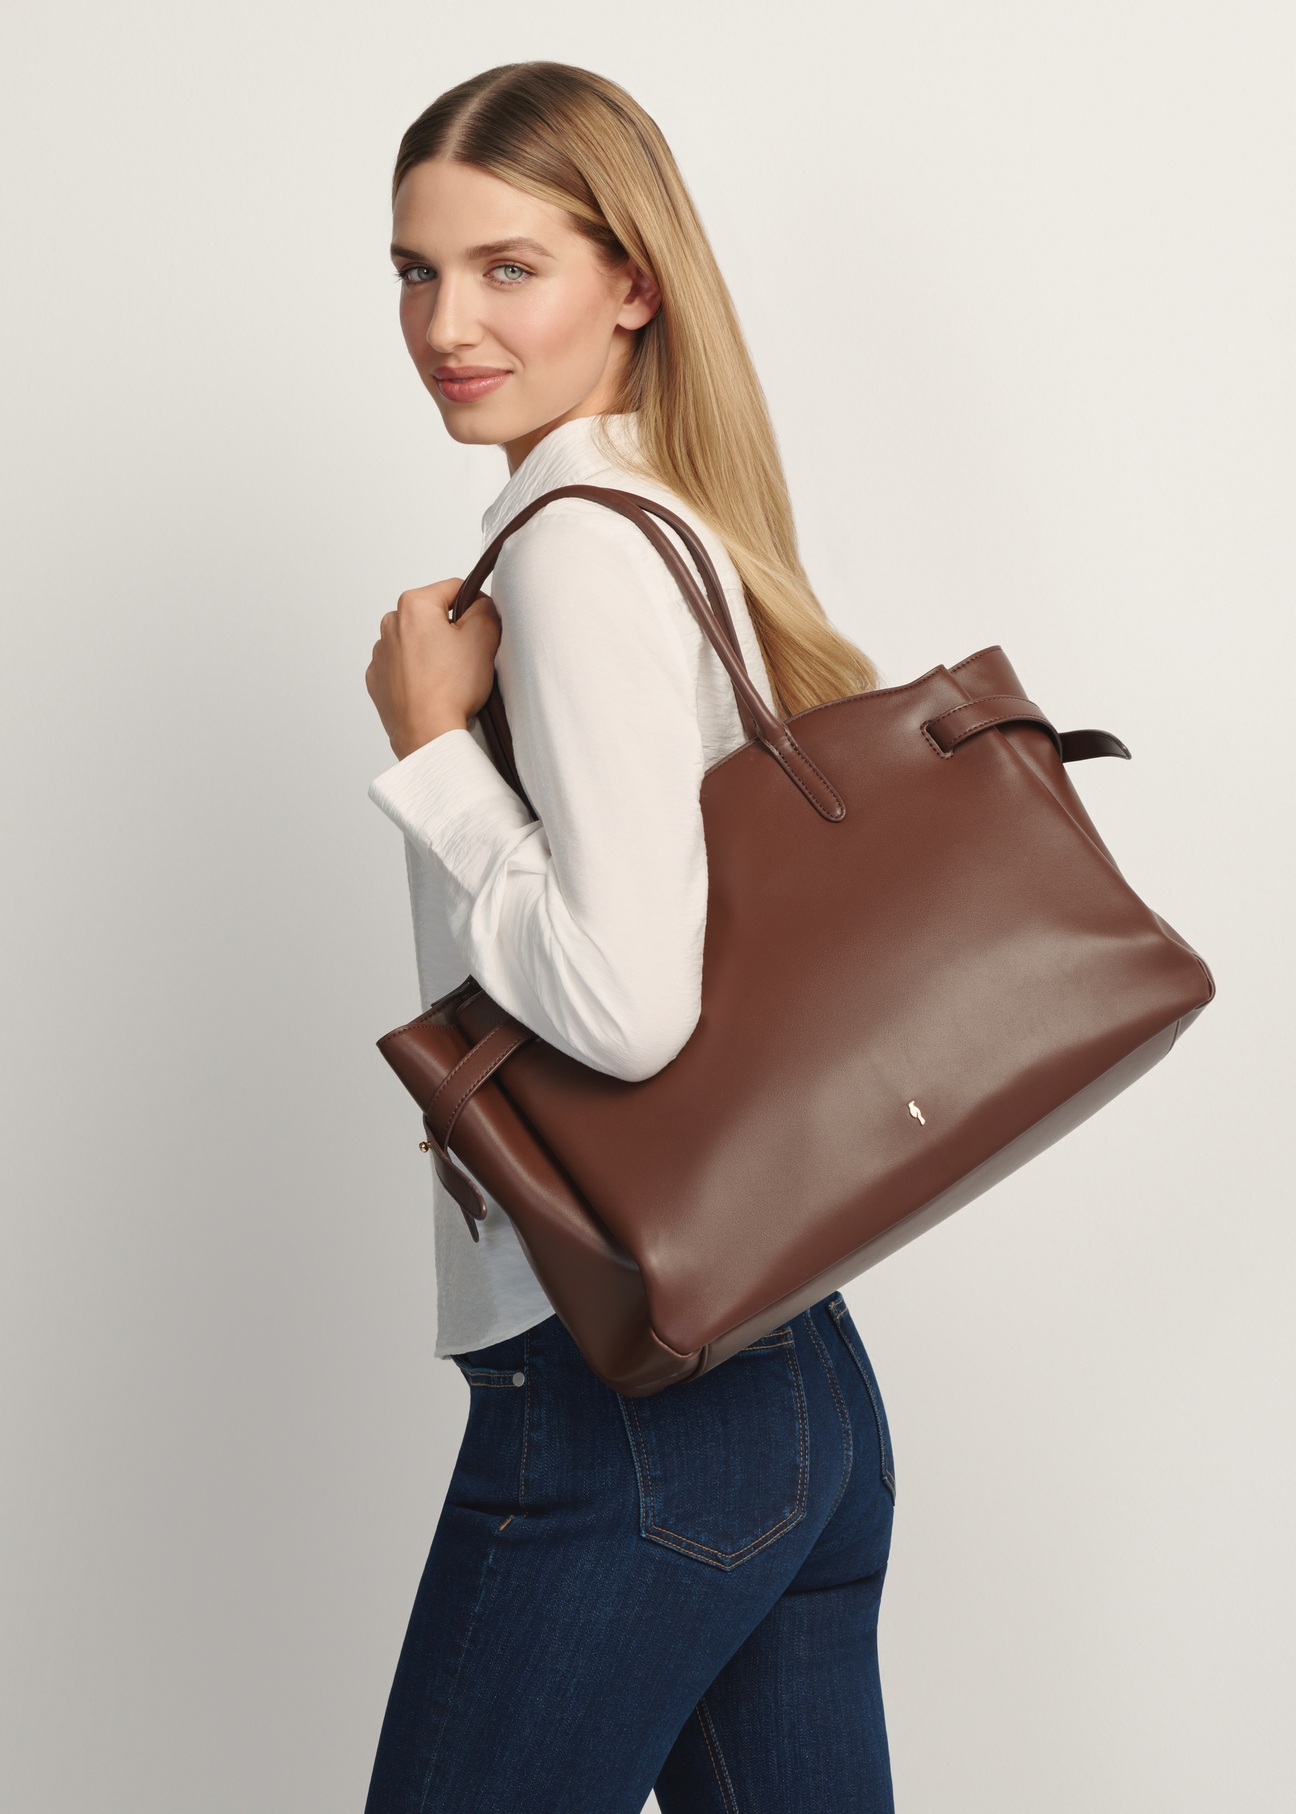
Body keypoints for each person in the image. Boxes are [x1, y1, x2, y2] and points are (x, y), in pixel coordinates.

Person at [363, 62, 896, 1814]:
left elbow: (625, 1000)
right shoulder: (669, 519)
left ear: (632, 283)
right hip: (789, 1374)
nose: (447, 324)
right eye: (417, 271)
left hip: (630, 1393)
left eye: (507, 267)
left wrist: (432, 753)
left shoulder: (575, 553)